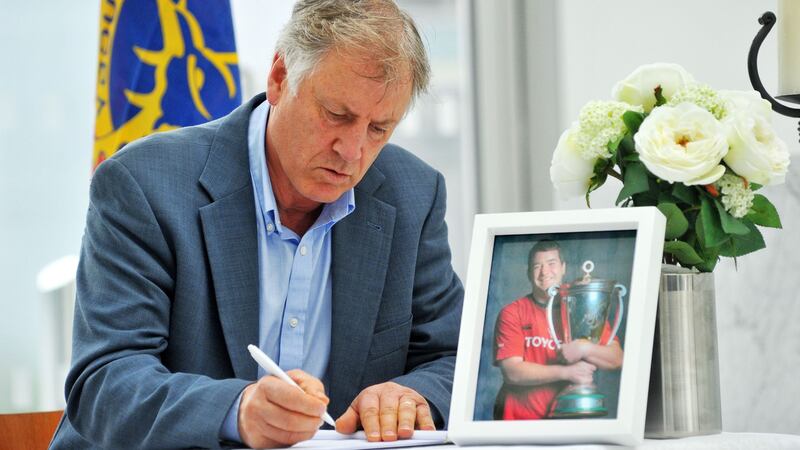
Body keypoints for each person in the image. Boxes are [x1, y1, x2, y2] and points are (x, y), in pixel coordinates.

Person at [50, 1, 463, 448]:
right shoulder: (144, 185)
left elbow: (458, 357)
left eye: (379, 128)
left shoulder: (414, 195)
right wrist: (238, 411)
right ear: (280, 78)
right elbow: (106, 381)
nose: (352, 151)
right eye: (337, 116)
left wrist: (410, 395)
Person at [492, 240, 622, 420]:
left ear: (563, 268)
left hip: (568, 421)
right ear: (529, 273)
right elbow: (512, 372)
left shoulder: (581, 307)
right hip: (518, 423)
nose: (545, 272)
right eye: (537, 266)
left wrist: (585, 348)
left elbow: (616, 358)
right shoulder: (512, 313)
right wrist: (567, 372)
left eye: (551, 264)